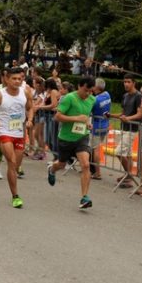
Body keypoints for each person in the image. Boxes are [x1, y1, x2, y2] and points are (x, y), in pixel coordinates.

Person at [46, 77, 96, 209]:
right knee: (61, 164)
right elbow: (57, 116)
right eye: (85, 90)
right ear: (79, 86)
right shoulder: (69, 98)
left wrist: (87, 123)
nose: (88, 93)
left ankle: (84, 197)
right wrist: (77, 118)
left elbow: (86, 115)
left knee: (85, 165)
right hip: (66, 138)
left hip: (82, 136)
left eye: (90, 91)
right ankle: (52, 169)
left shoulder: (92, 99)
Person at [0, 67, 34, 208]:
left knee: (16, 166)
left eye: (19, 79)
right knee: (12, 162)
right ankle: (15, 196)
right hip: (4, 131)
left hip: (19, 132)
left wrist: (30, 120)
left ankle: (0, 151)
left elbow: (30, 108)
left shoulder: (25, 92)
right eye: (14, 79)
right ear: (7, 79)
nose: (17, 81)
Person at [109, 74, 142, 188]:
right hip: (124, 127)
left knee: (119, 152)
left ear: (134, 83)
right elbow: (123, 113)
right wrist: (111, 115)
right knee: (128, 155)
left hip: (132, 129)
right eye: (124, 82)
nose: (126, 84)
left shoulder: (138, 96)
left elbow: (139, 114)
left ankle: (129, 176)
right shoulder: (125, 96)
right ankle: (128, 176)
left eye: (128, 82)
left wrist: (127, 118)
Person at [90, 78, 111, 180]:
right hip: (105, 125)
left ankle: (97, 173)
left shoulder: (95, 99)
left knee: (96, 150)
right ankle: (94, 170)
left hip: (96, 126)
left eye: (93, 85)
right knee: (97, 148)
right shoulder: (107, 94)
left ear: (97, 87)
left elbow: (89, 110)